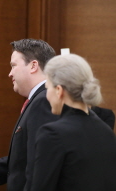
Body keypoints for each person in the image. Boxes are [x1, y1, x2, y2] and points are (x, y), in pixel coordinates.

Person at [0, 39, 59, 190]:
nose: (10, 73)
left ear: (33, 66)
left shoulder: (43, 101)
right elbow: (23, 159)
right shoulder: (38, 99)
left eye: (14, 66)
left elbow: (39, 164)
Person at [30, 54, 116, 190]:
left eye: (48, 87)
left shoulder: (53, 134)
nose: (46, 95)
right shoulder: (106, 132)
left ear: (59, 90)